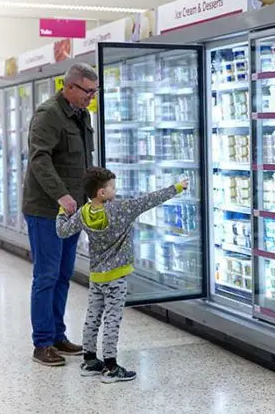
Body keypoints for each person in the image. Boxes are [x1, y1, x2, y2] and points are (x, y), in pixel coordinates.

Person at [56, 167, 188, 383]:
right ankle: (111, 366)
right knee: (112, 320)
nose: (115, 191)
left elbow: (62, 231)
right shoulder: (120, 209)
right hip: (116, 278)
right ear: (102, 192)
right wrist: (177, 187)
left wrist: (61, 213)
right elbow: (149, 200)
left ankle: (89, 361)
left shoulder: (83, 213)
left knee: (92, 318)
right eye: (113, 187)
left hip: (97, 276)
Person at [22, 63, 99, 366]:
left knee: (64, 275)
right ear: (69, 87)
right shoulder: (48, 114)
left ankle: (57, 335)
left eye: (95, 91)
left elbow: (83, 159)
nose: (91, 97)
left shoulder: (82, 115)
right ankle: (41, 343)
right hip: (46, 209)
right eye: (87, 91)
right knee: (46, 276)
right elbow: (39, 159)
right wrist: (60, 194)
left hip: (74, 209)